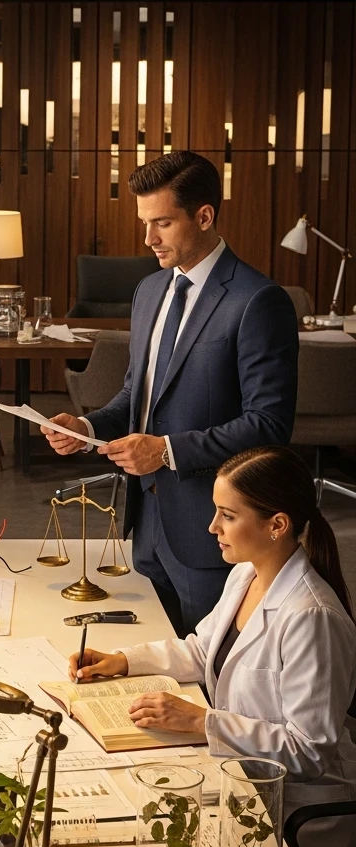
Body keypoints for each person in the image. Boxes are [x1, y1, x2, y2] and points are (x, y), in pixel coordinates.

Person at [69, 446, 356, 847]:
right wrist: (124, 660)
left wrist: (203, 722)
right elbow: (204, 651)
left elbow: (309, 750)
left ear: (276, 525)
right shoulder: (247, 574)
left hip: (292, 818)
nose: (212, 528)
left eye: (227, 515)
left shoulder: (311, 617)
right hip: (237, 781)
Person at [45, 151, 299, 635]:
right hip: (147, 524)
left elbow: (269, 425)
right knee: (160, 663)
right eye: (144, 222)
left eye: (162, 222)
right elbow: (138, 396)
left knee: (212, 680)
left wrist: (164, 451)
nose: (148, 239)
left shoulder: (258, 301)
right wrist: (89, 426)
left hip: (212, 530)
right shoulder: (149, 292)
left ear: (204, 216)